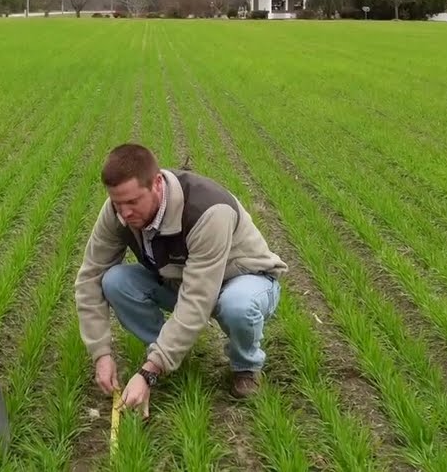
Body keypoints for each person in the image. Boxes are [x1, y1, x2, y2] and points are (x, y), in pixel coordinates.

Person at [74, 143, 288, 415]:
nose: (125, 213)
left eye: (133, 202)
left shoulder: (209, 211)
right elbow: (91, 275)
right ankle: (169, 354)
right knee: (115, 281)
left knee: (237, 305)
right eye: (118, 203)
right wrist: (101, 354)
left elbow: (197, 298)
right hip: (183, 280)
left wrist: (148, 373)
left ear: (157, 184)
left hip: (243, 279)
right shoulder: (118, 213)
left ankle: (245, 366)